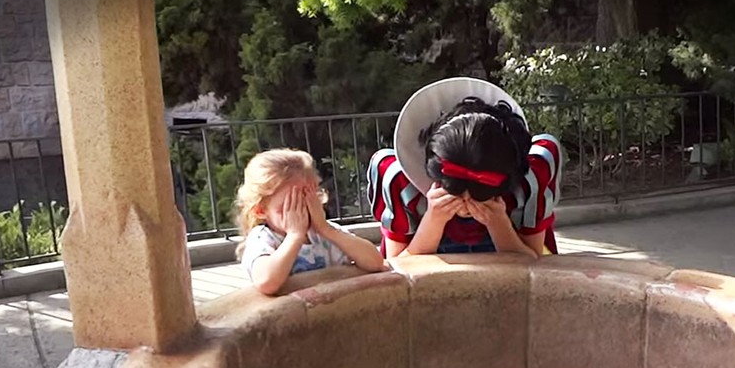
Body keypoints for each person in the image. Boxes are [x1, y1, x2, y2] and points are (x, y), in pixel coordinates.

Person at [367, 77, 563, 258]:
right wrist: (433, 220)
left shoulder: (533, 177)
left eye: (481, 194)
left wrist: (498, 223)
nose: (466, 204)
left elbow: (535, 267)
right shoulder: (399, 180)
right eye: (454, 191)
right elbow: (396, 271)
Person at [236, 149, 385, 295]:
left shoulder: (324, 233)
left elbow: (375, 262)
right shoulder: (263, 239)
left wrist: (326, 229)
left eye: (306, 201)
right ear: (261, 210)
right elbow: (266, 282)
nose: (301, 212)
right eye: (290, 206)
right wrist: (294, 236)